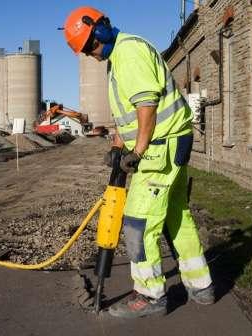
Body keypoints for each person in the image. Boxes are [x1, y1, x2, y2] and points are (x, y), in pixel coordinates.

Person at [63, 7, 215, 318]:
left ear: (101, 32)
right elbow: (129, 109)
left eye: (89, 47)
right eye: (85, 51)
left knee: (137, 224)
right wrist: (120, 142)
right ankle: (201, 286)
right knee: (176, 216)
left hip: (159, 147)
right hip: (172, 141)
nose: (90, 55)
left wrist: (138, 151)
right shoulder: (119, 57)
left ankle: (150, 295)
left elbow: (147, 103)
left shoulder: (128, 53)